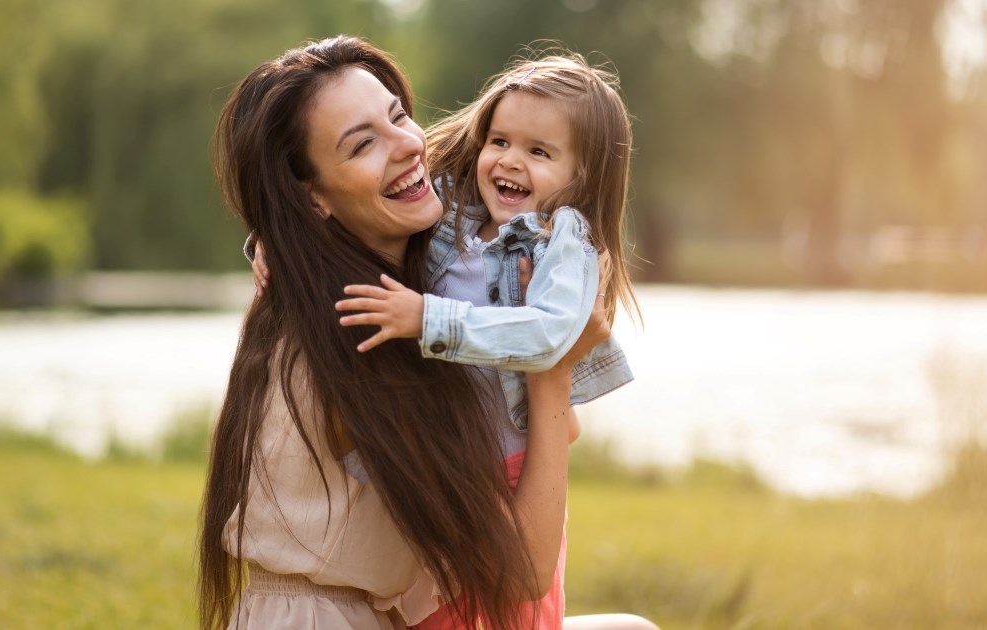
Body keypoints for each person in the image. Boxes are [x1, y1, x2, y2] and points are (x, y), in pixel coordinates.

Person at [202, 36, 657, 630]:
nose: (412, 145)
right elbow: (521, 572)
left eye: (398, 116)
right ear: (309, 195)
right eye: (363, 143)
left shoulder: (410, 275)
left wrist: (271, 237)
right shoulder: (361, 330)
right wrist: (553, 372)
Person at [329, 52, 639, 630]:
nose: (509, 161)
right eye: (500, 140)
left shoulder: (563, 242)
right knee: (433, 604)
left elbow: (549, 335)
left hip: (509, 463)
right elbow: (352, 200)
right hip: (451, 447)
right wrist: (266, 242)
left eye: (540, 152)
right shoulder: (459, 212)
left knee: (505, 611)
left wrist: (429, 319)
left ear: (583, 177)